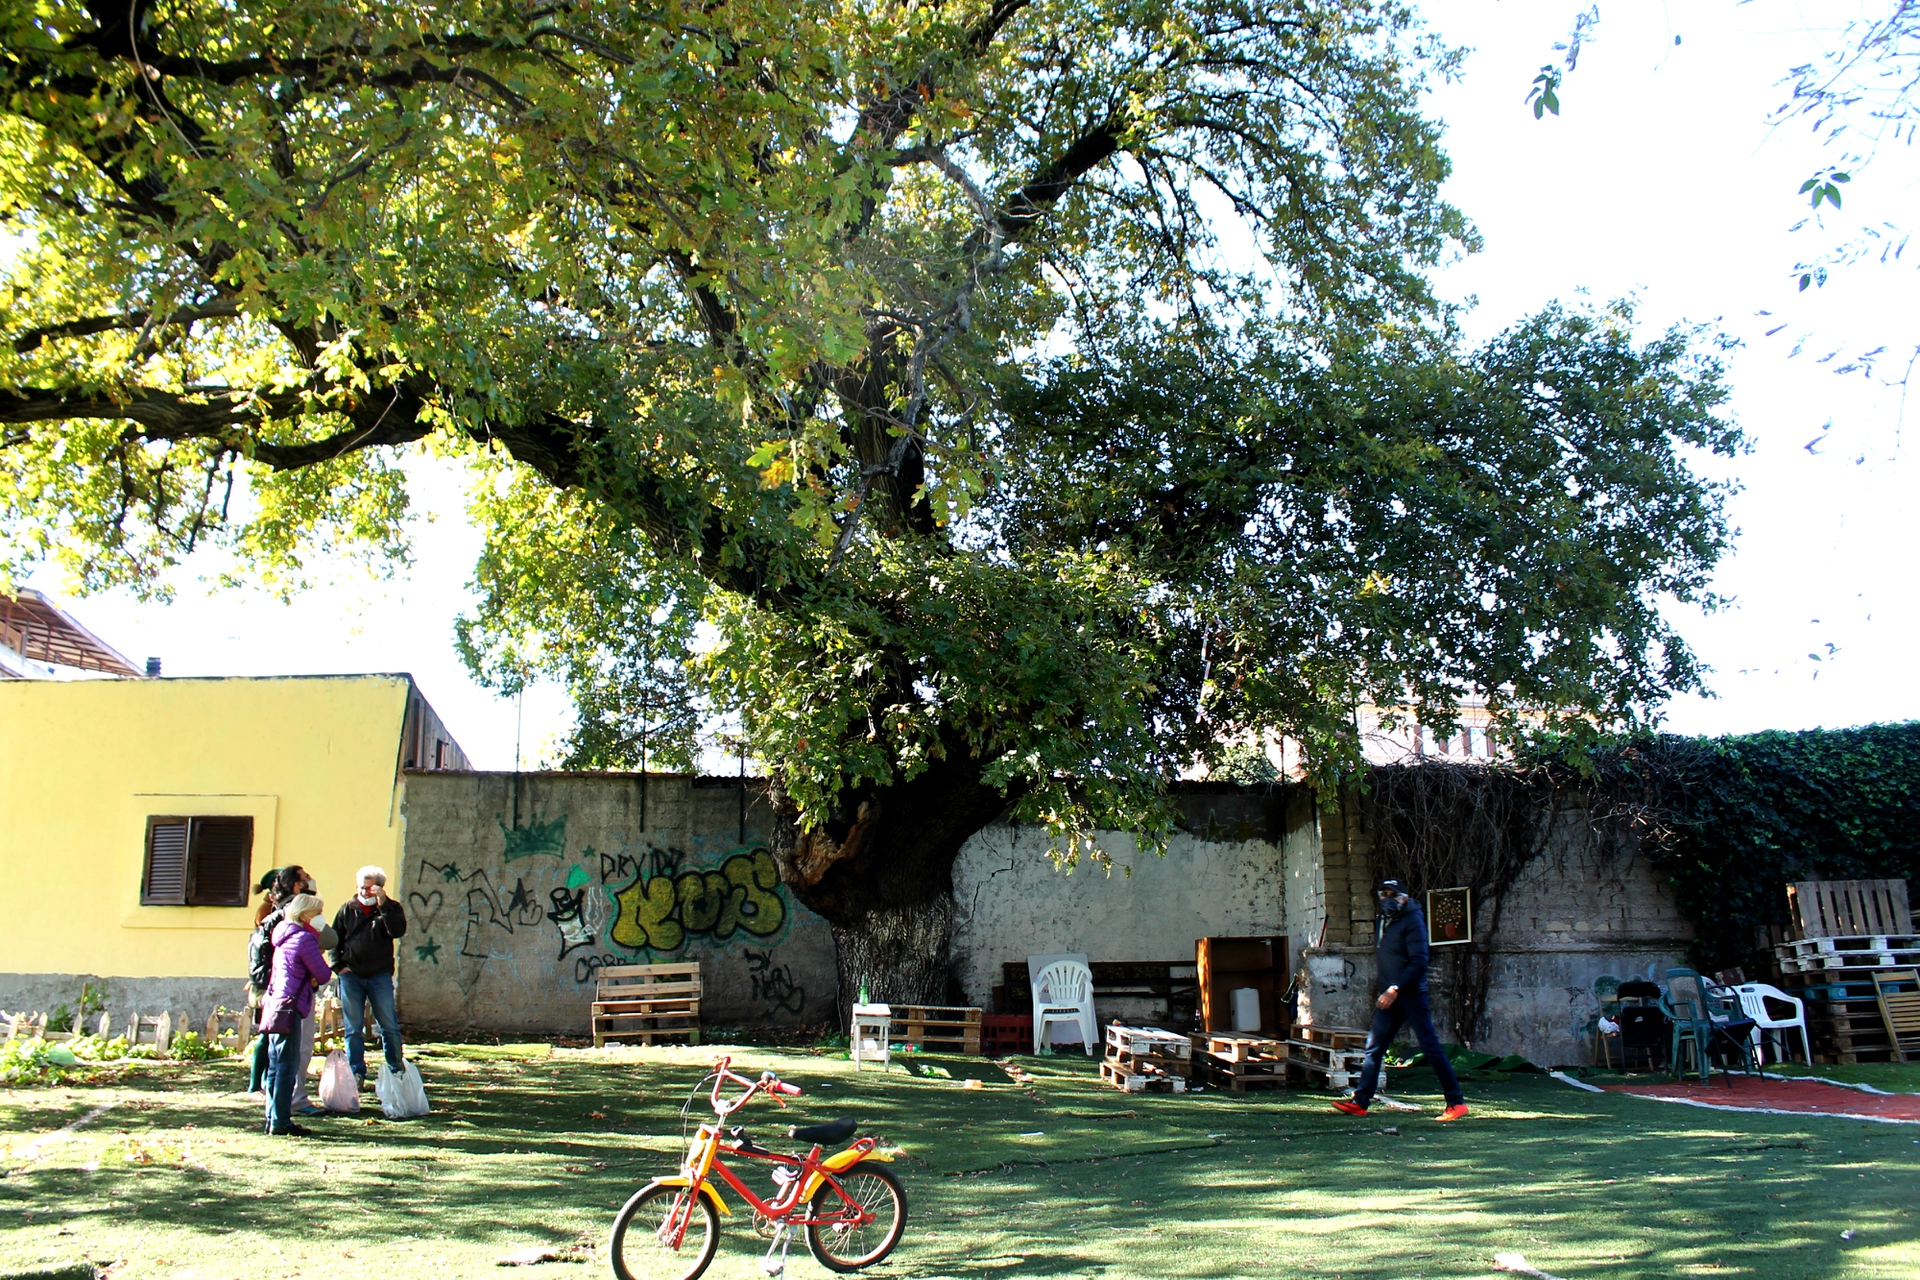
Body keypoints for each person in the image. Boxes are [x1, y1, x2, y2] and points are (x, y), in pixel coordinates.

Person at [1332, 878, 1469, 1122]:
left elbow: (1419, 962)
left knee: (1431, 1048)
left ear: (1403, 898)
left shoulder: (1413, 921)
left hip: (1410, 995)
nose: (1386, 898)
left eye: (1392, 894)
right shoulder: (1385, 921)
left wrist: (1395, 988)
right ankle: (1360, 1102)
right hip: (1390, 995)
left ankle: (1456, 1102)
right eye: (1383, 894)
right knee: (1374, 1047)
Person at [247, 866, 334, 1115]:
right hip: (294, 996)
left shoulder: (279, 928)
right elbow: (323, 969)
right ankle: (288, 1108)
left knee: (276, 1055)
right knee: (293, 1054)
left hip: (277, 995)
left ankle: (274, 1110)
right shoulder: (299, 933)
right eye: (305, 879)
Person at [260, 893, 333, 1136]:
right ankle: (281, 1120)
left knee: (274, 1065)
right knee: (287, 1065)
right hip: (291, 1005)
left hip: (275, 1003)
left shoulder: (281, 936)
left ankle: (272, 1116)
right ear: (305, 915)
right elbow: (322, 974)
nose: (320, 917)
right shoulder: (304, 939)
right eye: (317, 913)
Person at [330, 865, 408, 1087]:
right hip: (351, 976)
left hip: (379, 975)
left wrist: (383, 906)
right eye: (361, 887)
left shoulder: (392, 908)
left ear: (380, 888)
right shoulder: (347, 908)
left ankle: (396, 1069)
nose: (364, 892)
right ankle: (356, 1073)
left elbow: (397, 931)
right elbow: (334, 939)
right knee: (353, 1028)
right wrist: (338, 967)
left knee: (388, 1025)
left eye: (370, 888)